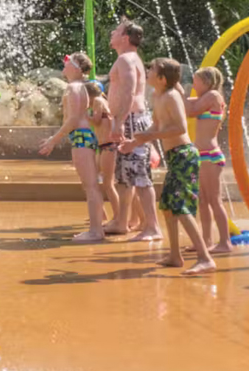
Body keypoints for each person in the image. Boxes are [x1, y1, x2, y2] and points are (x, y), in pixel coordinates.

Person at [120, 58, 215, 275]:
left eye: (152, 69)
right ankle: (174, 255)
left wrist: (151, 135)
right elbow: (156, 125)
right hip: (174, 156)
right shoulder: (157, 95)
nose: (148, 71)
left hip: (184, 154)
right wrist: (135, 142)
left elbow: (181, 127)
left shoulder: (172, 96)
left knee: (180, 207)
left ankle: (205, 258)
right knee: (167, 207)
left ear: (162, 79)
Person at [39, 52, 105, 242]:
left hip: (80, 136)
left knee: (91, 186)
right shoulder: (77, 87)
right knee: (90, 185)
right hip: (82, 137)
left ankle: (96, 231)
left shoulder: (74, 87)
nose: (64, 65)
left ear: (76, 68)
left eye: (67, 63)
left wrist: (54, 139)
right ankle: (97, 226)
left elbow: (74, 119)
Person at [105, 19, 161, 241]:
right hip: (129, 119)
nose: (112, 32)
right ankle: (122, 221)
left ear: (125, 38)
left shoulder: (126, 59)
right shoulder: (129, 58)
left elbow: (128, 93)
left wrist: (118, 122)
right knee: (126, 177)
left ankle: (153, 227)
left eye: (116, 30)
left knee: (139, 176)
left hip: (129, 120)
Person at [184, 66, 232, 254]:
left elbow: (191, 110)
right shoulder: (207, 97)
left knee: (214, 199)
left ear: (206, 82)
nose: (193, 85)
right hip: (202, 155)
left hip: (210, 155)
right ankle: (205, 240)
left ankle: (225, 242)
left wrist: (178, 92)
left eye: (196, 81)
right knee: (203, 200)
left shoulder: (212, 96)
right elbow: (188, 105)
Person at [84, 81, 120, 226]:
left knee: (108, 184)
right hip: (103, 146)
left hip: (109, 146)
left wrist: (84, 114)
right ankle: (102, 213)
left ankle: (119, 217)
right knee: (90, 180)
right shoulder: (99, 101)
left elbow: (97, 121)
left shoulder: (99, 100)